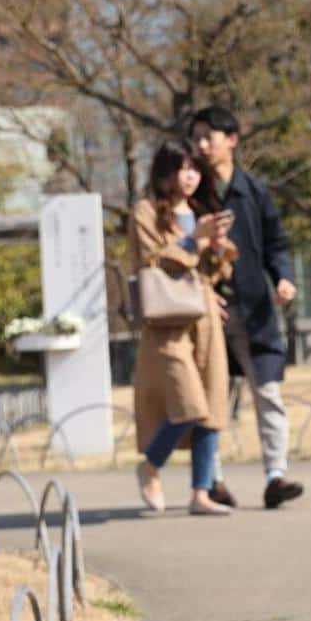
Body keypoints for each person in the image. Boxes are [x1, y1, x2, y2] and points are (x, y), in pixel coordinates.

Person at [189, 107, 306, 511]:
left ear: (232, 139)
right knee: (212, 398)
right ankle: (212, 482)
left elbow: (277, 243)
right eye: (198, 138)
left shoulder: (254, 192)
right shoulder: (191, 194)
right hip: (208, 315)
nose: (203, 145)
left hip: (256, 312)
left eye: (210, 136)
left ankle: (276, 475)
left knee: (268, 391)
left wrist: (284, 278)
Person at [131, 139, 235, 516]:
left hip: (205, 316)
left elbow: (215, 272)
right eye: (181, 168)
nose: (189, 177)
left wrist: (220, 248)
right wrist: (195, 240)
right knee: (189, 404)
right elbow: (154, 259)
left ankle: (201, 493)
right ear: (165, 172)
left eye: (194, 169)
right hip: (167, 323)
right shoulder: (145, 212)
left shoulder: (200, 211)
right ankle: (151, 465)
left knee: (212, 408)